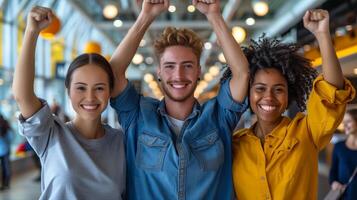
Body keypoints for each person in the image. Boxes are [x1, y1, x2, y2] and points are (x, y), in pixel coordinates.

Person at [109, 0, 249, 199]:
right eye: (169, 66)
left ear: (199, 70)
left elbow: (242, 74)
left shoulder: (219, 117)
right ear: (159, 71)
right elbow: (113, 73)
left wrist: (214, 16)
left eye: (188, 66)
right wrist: (145, 16)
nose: (179, 75)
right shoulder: (138, 116)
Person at [226, 9, 356, 199]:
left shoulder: (306, 132)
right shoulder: (236, 144)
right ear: (248, 93)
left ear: (289, 96)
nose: (268, 97)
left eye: (278, 89)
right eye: (260, 89)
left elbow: (333, 92)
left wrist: (322, 35)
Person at [12, 6, 125, 199]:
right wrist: (32, 32)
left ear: (109, 92)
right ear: (68, 92)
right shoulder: (51, 134)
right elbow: (22, 96)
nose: (90, 97)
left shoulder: (121, 142)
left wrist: (145, 17)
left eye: (99, 88)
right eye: (81, 88)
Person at [329, 109, 357, 200]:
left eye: (348, 121)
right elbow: (333, 172)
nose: (344, 125)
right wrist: (334, 183)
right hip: (344, 197)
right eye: (344, 122)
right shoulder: (339, 147)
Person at [0, 114, 12, 191]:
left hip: (4, 149)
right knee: (6, 167)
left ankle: (5, 184)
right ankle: (5, 184)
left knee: (5, 167)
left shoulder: (4, 126)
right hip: (5, 149)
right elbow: (10, 137)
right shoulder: (6, 125)